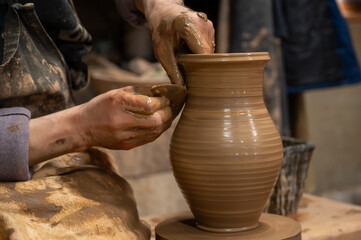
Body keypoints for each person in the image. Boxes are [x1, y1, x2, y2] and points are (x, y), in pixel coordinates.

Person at [0, 0, 214, 239]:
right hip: (14, 154)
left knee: (116, 221)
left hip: (52, 147)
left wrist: (158, 6)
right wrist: (80, 127)